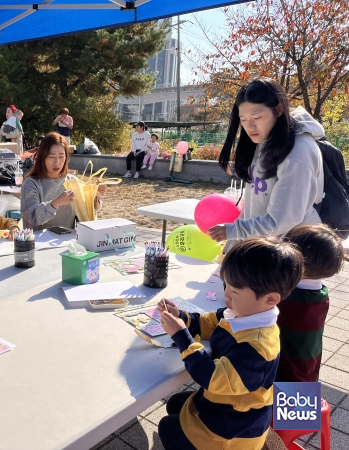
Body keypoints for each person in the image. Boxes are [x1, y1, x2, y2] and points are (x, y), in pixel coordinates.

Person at [157, 236, 303, 450]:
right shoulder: (243, 313)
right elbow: (210, 322)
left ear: (270, 299)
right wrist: (183, 317)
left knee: (167, 427)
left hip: (232, 430)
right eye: (226, 285)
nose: (226, 295)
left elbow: (212, 378)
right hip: (226, 403)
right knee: (175, 403)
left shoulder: (259, 347)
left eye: (234, 291)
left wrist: (181, 336)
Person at [207, 78, 324, 247]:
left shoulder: (299, 152)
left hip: (292, 252)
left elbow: (281, 220)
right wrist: (232, 245)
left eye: (257, 117)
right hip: (262, 248)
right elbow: (253, 207)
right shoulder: (264, 140)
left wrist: (233, 231)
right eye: (243, 119)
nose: (250, 126)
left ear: (279, 109)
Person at [277, 224, 344, 383]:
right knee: (302, 405)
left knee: (286, 408)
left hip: (285, 374)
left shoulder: (289, 297)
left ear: (298, 262)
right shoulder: (320, 293)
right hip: (306, 372)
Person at [20, 132, 106, 231]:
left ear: (66, 158)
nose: (57, 162)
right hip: (38, 244)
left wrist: (94, 197)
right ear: (42, 157)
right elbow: (32, 217)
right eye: (51, 157)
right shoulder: (31, 183)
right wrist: (55, 203)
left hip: (67, 243)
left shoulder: (73, 182)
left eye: (61, 156)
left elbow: (85, 216)